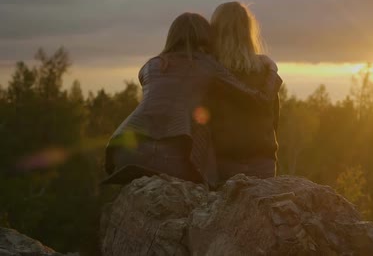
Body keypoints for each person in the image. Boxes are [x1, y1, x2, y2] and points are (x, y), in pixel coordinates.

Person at [102, 12, 276, 185]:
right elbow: (260, 100)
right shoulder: (208, 65)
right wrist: (271, 71)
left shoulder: (150, 65)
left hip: (124, 153)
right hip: (171, 159)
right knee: (201, 125)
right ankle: (213, 192)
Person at [203, 2, 282, 187]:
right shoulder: (266, 75)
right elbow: (273, 125)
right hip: (264, 170)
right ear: (248, 32)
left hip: (221, 170)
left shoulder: (209, 75)